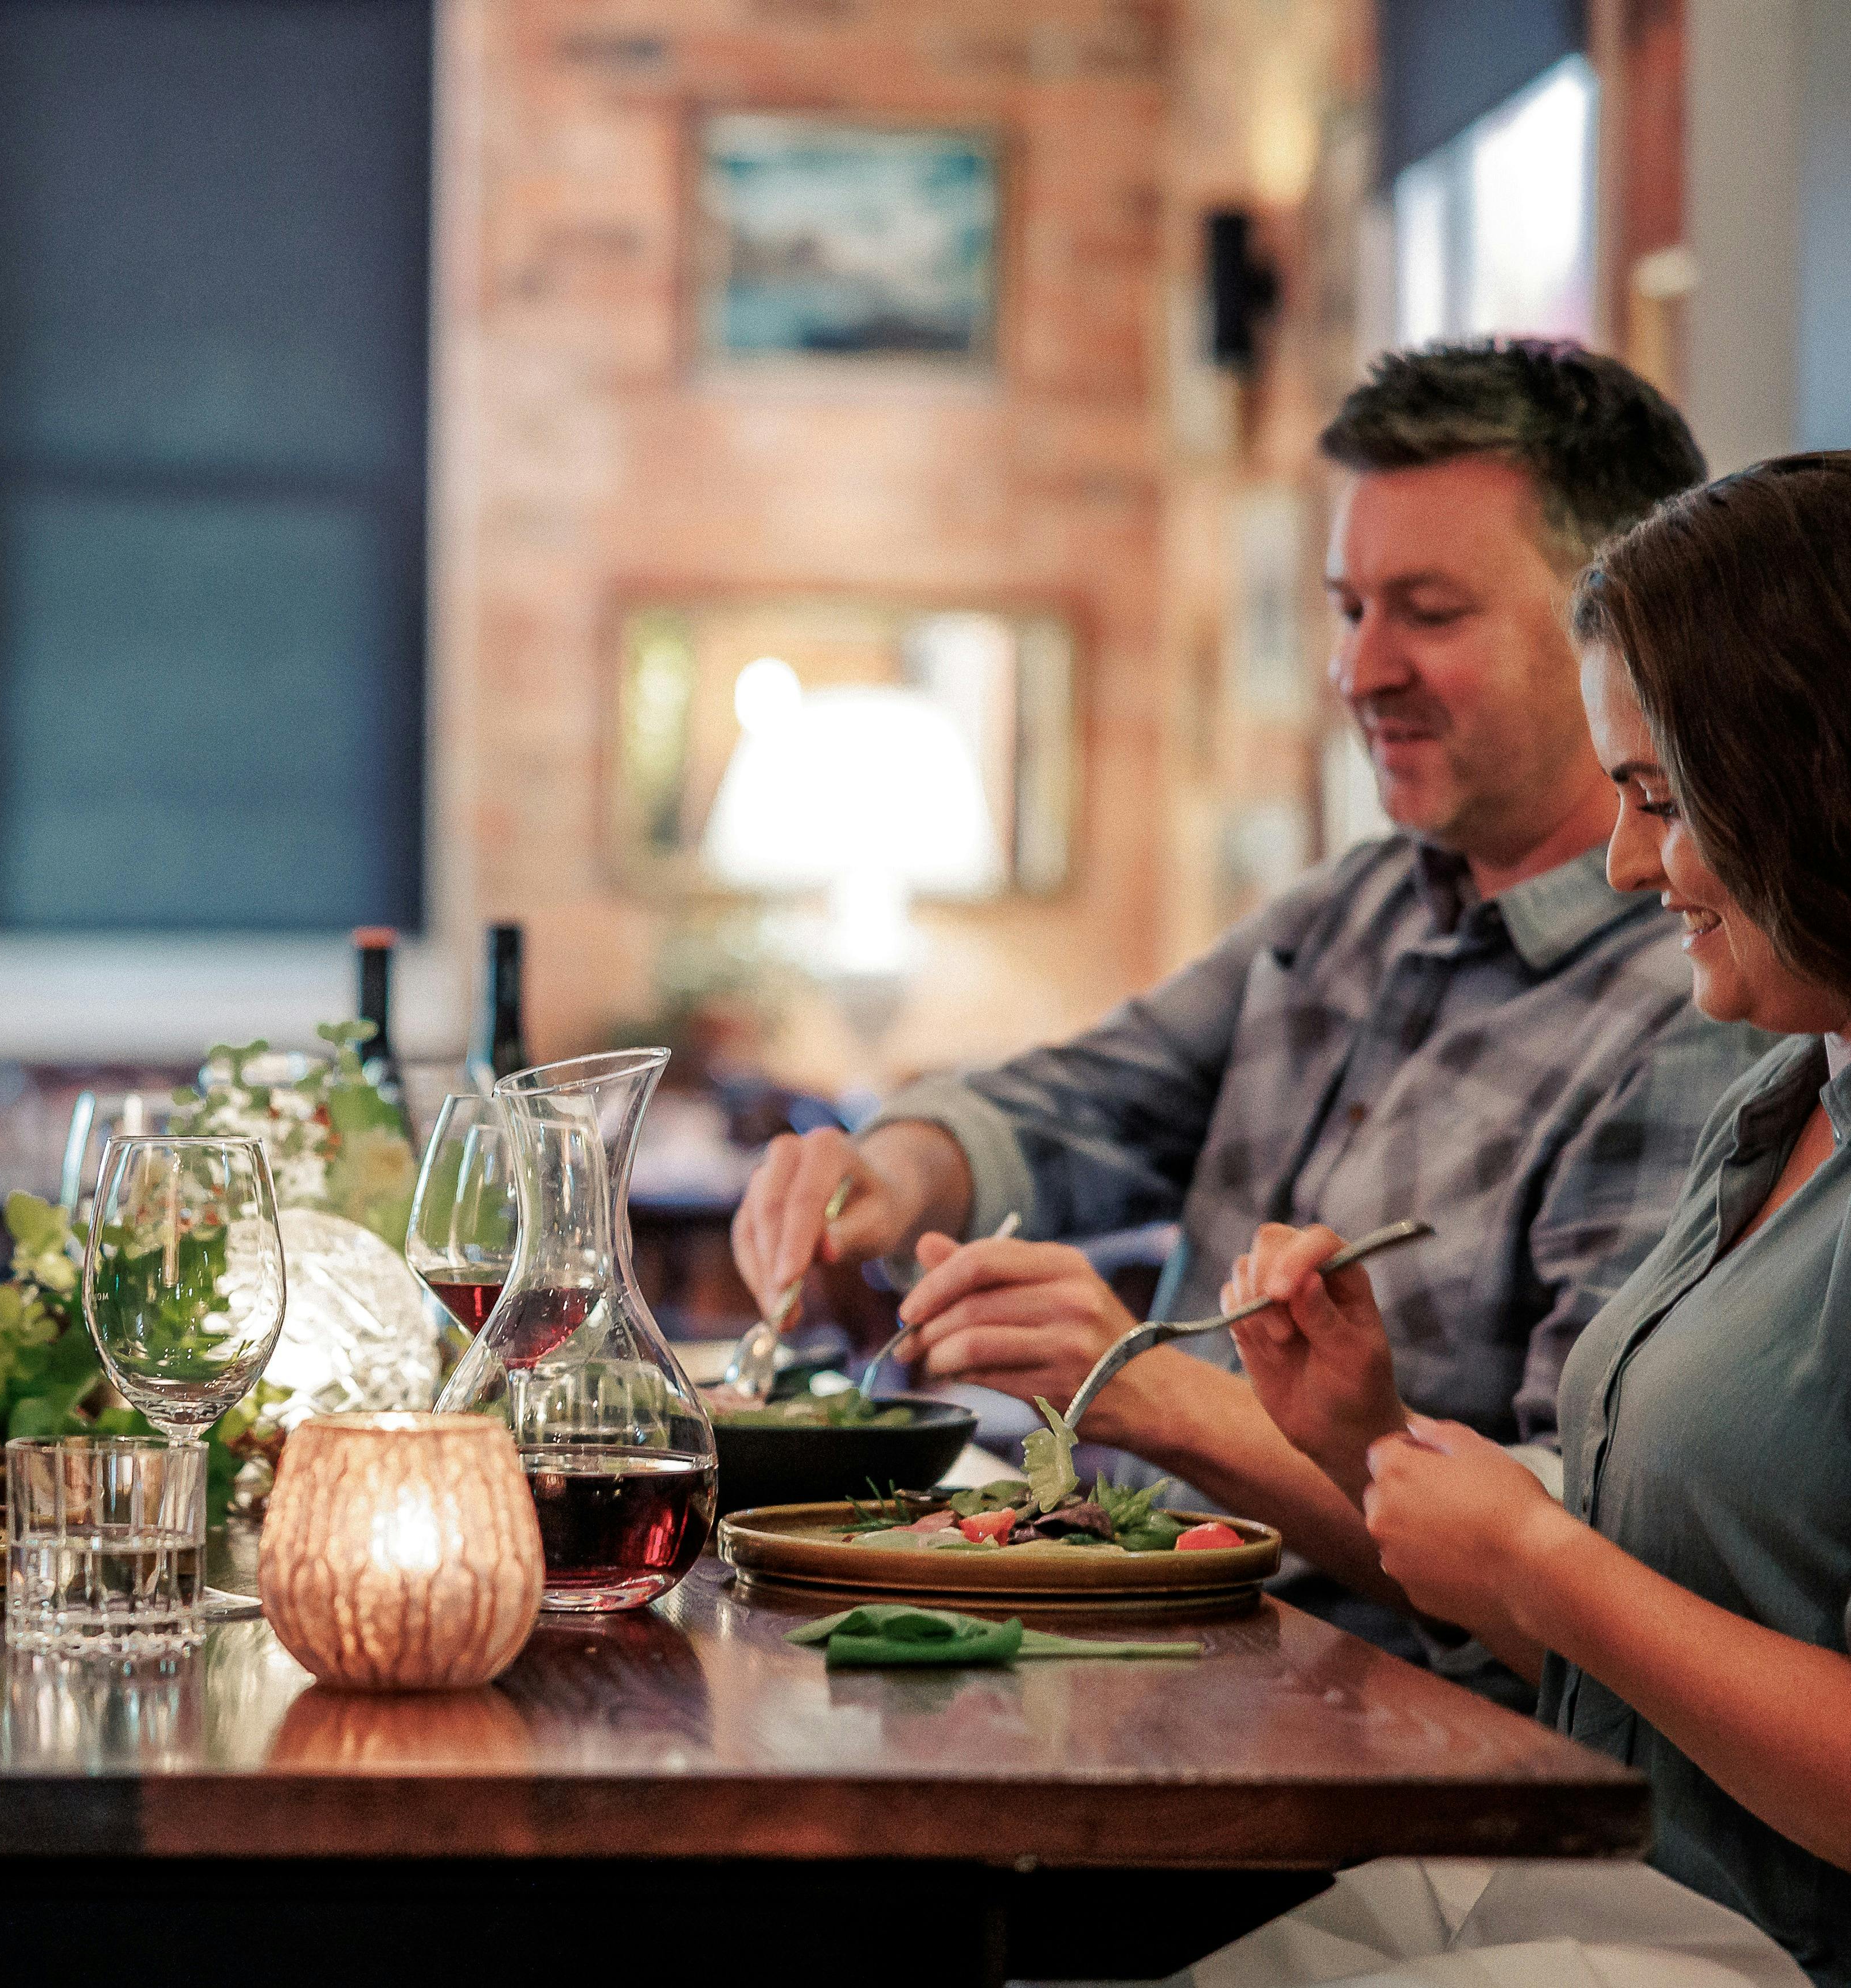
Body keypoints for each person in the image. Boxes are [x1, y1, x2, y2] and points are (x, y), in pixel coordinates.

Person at [730, 340, 1768, 1691]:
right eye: (1349, 609)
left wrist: (1155, 1399)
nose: (1360, 670)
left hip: (1379, 1729)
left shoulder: (1700, 1006)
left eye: (1428, 613)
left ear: (1606, 646)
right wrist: (887, 1173)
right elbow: (1077, 1105)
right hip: (1127, 1653)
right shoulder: (1357, 905)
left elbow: (1573, 1555)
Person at [1202, 453, 1851, 1988]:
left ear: (1811, 781)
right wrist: (1364, 1441)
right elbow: (1657, 1660)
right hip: (1605, 1890)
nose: (1626, 864)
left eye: (1657, 801)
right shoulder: (1781, 1102)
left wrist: (1543, 1561)